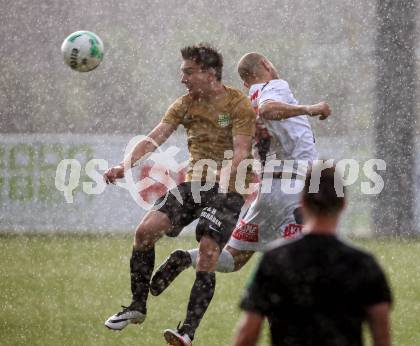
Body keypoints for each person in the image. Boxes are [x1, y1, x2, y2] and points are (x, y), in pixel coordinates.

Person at [103, 43, 256, 346]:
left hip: (229, 189)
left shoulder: (238, 104)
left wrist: (224, 175)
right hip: (194, 185)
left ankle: (187, 331)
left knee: (209, 253)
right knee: (144, 232)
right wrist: (125, 165)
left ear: (210, 73)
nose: (182, 78)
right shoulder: (185, 104)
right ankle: (137, 305)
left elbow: (241, 151)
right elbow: (154, 137)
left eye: (188, 72)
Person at [149, 52, 331, 295]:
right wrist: (310, 108)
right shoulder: (275, 86)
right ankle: (285, 313)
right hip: (294, 191)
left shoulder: (247, 101)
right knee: (309, 258)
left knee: (234, 258)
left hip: (267, 193)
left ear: (245, 82)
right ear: (266, 65)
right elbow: (268, 109)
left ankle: (186, 258)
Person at [233, 162, 393, 346]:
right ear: (343, 204)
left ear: (301, 202)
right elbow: (382, 338)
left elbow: (247, 334)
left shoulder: (275, 259)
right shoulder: (363, 263)